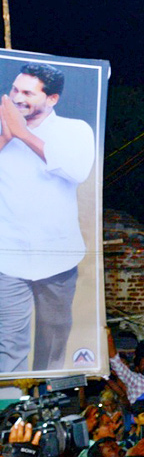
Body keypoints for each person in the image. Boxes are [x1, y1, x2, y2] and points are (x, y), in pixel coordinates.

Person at [0, 62, 95, 372]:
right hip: (7, 259)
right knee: (9, 348)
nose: (16, 97)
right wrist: (6, 135)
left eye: (27, 92)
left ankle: (42, 412)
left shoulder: (75, 129)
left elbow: (77, 170)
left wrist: (23, 134)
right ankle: (10, 418)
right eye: (14, 89)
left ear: (52, 99)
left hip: (57, 260)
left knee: (52, 350)